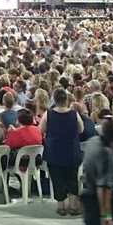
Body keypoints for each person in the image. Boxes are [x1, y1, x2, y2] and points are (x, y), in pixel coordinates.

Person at [41, 88, 83, 216]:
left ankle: (61, 206)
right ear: (66, 99)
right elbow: (81, 129)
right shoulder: (74, 114)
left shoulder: (48, 114)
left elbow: (41, 129)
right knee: (72, 177)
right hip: (71, 150)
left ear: (54, 100)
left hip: (54, 151)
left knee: (57, 178)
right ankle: (74, 205)